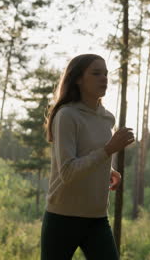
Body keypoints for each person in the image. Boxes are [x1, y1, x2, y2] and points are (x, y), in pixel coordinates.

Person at [41, 54, 135, 260]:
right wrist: (108, 150)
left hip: (96, 217)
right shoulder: (66, 115)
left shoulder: (106, 117)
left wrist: (108, 171)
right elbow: (67, 172)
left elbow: (88, 155)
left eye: (106, 74)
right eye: (96, 73)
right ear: (78, 79)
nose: (104, 78)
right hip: (62, 218)